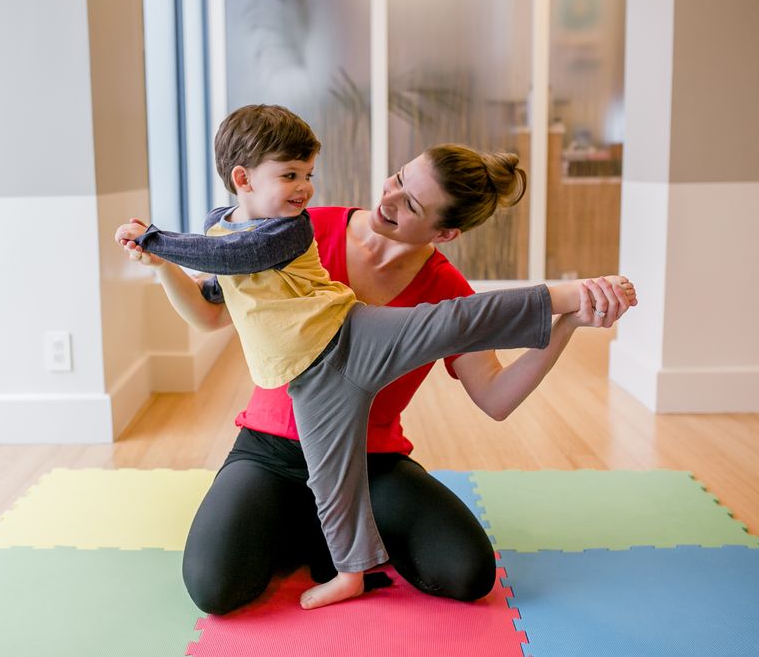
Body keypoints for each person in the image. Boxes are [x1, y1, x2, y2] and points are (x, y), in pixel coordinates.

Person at [116, 104, 636, 611]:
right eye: (397, 179)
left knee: (467, 573)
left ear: (445, 233)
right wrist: (161, 261)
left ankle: (324, 532)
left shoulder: (443, 285)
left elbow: (496, 398)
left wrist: (568, 323)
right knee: (214, 587)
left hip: (373, 461)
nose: (389, 199)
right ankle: (319, 528)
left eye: (412, 205)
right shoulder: (300, 223)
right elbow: (212, 307)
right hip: (271, 451)